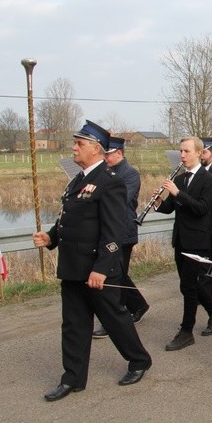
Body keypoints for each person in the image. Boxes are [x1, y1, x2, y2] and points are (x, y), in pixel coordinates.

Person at [32, 121, 151, 402]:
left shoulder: (111, 182)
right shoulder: (77, 180)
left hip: (97, 269)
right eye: (75, 143)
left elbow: (114, 230)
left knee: (114, 319)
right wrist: (50, 237)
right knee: (73, 325)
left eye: (80, 144)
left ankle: (139, 360)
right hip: (72, 266)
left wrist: (101, 268)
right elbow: (69, 219)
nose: (74, 147)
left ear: (96, 149)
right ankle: (72, 378)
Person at [155, 137, 212, 351]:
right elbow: (170, 207)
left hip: (198, 240)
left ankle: (186, 331)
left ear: (198, 152)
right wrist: (158, 202)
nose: (182, 155)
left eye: (186, 151)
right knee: (188, 284)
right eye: (180, 151)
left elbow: (202, 208)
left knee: (188, 286)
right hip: (181, 239)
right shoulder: (179, 178)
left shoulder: (209, 179)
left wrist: (179, 194)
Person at [93, 136, 149, 339]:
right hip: (108, 232)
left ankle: (113, 320)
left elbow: (120, 200)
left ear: (119, 153)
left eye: (108, 154)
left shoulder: (130, 174)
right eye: (104, 154)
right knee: (119, 275)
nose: (105, 158)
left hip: (124, 232)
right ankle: (139, 305)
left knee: (114, 276)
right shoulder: (105, 172)